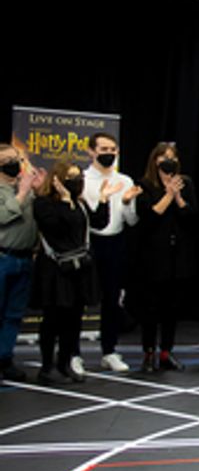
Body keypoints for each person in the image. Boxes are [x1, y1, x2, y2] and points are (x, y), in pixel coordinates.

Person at [33, 160, 108, 384]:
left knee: (74, 320)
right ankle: (47, 367)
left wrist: (104, 199)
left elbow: (98, 223)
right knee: (52, 319)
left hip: (80, 270)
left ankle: (65, 362)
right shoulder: (43, 204)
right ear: (57, 180)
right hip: (55, 270)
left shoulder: (80, 204)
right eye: (71, 178)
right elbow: (57, 228)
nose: (76, 183)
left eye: (79, 178)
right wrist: (65, 203)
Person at [130, 143, 199, 372]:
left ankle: (166, 352)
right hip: (152, 257)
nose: (168, 161)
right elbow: (148, 218)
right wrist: (168, 194)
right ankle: (148, 352)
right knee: (150, 308)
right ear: (155, 160)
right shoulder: (144, 185)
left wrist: (178, 196)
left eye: (172, 157)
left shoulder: (185, 183)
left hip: (177, 256)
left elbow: (191, 217)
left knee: (172, 309)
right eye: (163, 157)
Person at [82, 132, 141, 374]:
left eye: (113, 149)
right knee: (80, 298)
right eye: (103, 149)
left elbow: (132, 220)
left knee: (111, 299)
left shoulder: (125, 180)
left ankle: (109, 350)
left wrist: (127, 202)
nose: (109, 153)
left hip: (115, 242)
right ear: (91, 151)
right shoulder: (83, 179)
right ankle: (73, 354)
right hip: (88, 243)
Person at [0, 145, 41, 384]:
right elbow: (3, 217)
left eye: (16, 159)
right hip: (3, 257)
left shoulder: (23, 187)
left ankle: (5, 358)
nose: (14, 163)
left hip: (25, 258)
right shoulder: (11, 191)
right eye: (7, 160)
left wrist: (36, 190)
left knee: (14, 315)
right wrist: (23, 193)